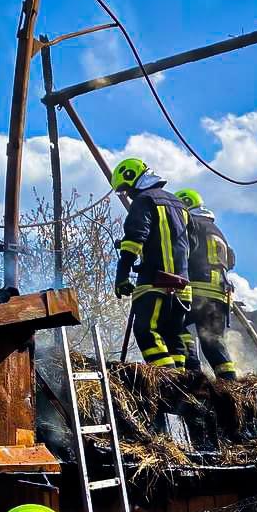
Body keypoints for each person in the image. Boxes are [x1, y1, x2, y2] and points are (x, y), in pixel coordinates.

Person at [112, 157, 195, 370]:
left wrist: (122, 275)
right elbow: (191, 245)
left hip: (156, 283)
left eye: (126, 190)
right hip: (183, 288)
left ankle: (169, 382)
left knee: (146, 331)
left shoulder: (144, 201)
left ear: (132, 178)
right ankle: (182, 387)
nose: (128, 195)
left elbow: (134, 239)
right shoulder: (181, 206)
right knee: (173, 337)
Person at [175, 188, 237, 380]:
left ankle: (192, 370)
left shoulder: (191, 225)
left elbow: (179, 250)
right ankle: (230, 382)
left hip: (198, 292)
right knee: (213, 341)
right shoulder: (216, 231)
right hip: (221, 294)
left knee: (172, 325)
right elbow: (232, 260)